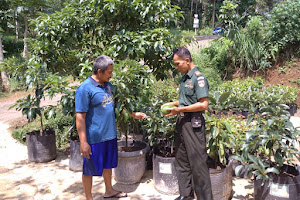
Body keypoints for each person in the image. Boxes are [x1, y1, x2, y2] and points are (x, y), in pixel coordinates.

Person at [75, 55, 146, 200]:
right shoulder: (84, 89)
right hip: (95, 137)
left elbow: (119, 104)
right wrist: (83, 142)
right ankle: (89, 198)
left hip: (110, 135)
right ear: (99, 71)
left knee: (108, 165)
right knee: (89, 169)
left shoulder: (108, 86)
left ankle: (109, 190)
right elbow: (80, 117)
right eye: (109, 72)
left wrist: (133, 114)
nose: (111, 75)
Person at [163, 47, 213, 200]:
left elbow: (204, 104)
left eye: (178, 64)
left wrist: (181, 109)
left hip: (193, 124)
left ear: (187, 60)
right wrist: (174, 104)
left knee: (198, 165)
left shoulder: (199, 78)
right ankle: (186, 195)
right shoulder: (185, 78)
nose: (176, 68)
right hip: (182, 122)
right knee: (181, 160)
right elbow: (186, 100)